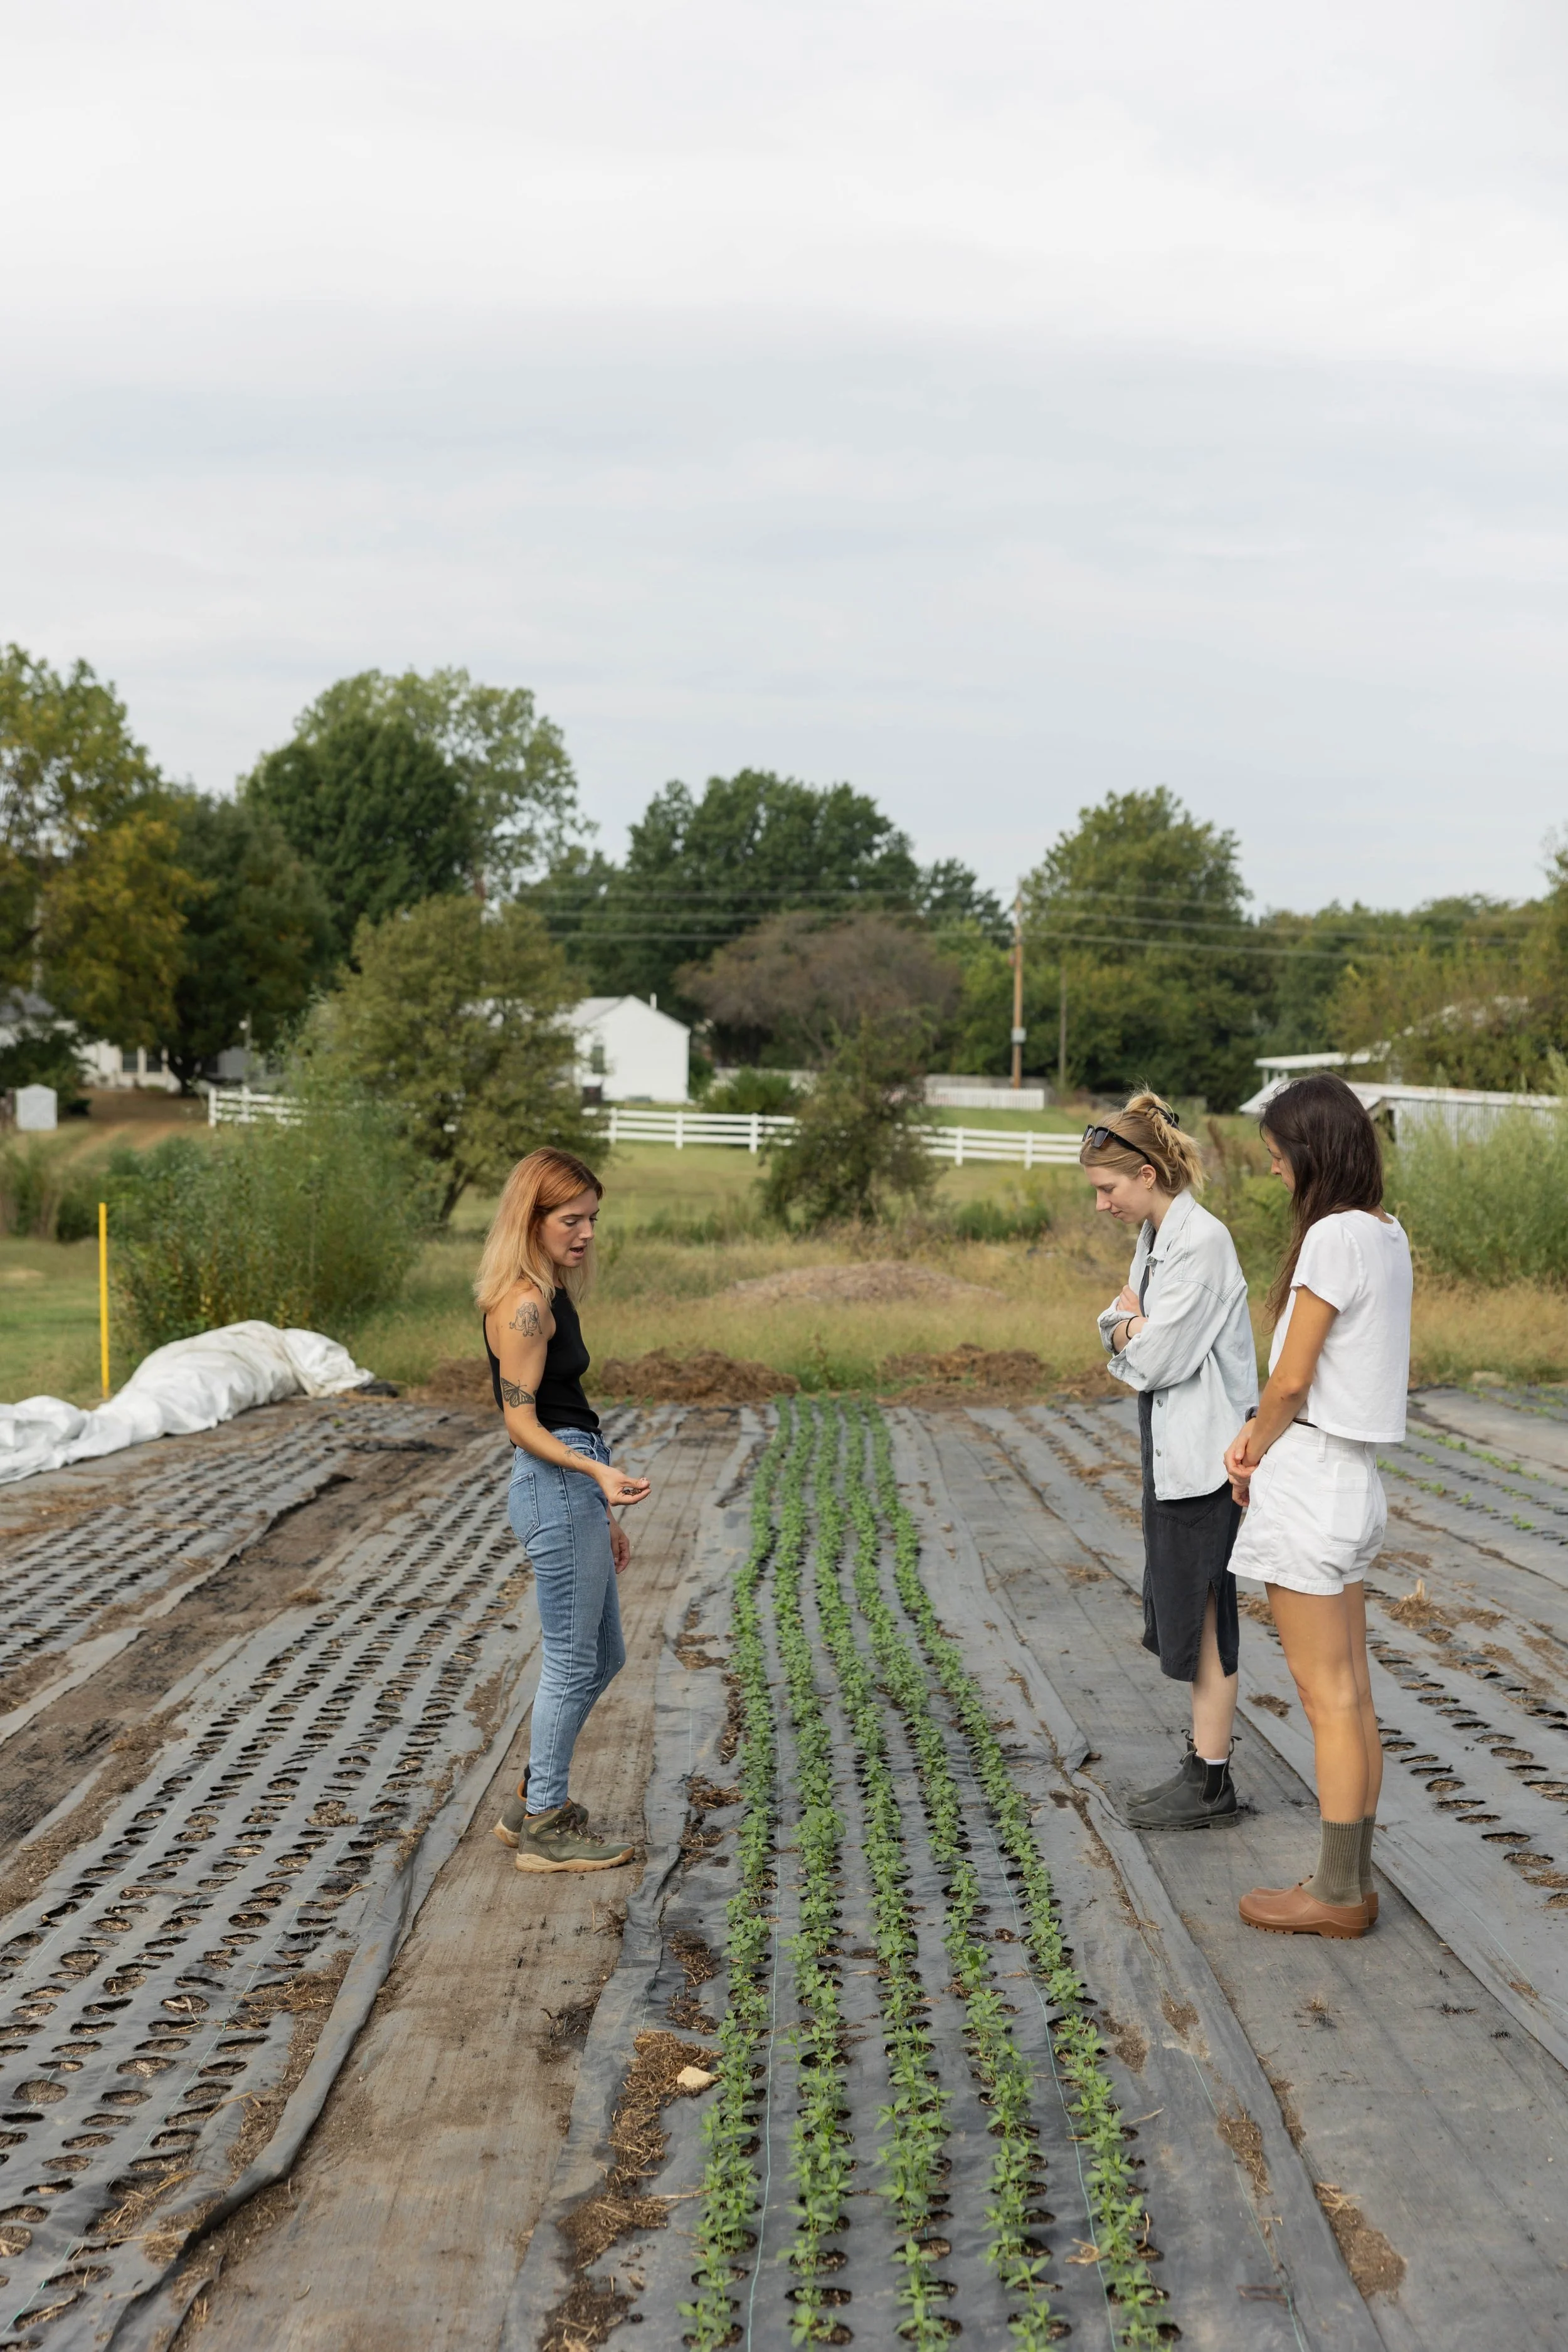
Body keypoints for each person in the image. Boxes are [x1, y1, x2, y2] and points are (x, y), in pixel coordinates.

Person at [1224, 1074, 1412, 1939]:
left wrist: (1250, 1443)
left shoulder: (1333, 1235)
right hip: (1357, 1485)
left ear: (1313, 1152)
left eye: (1277, 1158)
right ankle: (1349, 1878)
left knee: (1325, 1693)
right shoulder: (1385, 1231)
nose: (1275, 1174)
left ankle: (1337, 1897)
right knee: (1354, 1694)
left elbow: (1292, 1378)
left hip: (1312, 1484)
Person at [475, 1147, 652, 1874]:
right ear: (532, 1218)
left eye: (592, 1220)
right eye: (570, 1220)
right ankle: (546, 1820)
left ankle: (529, 1804)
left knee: (603, 1655)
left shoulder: (547, 1296)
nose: (585, 1234)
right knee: (573, 1659)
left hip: (571, 1485)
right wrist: (592, 1473)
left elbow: (560, 1406)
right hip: (554, 1479)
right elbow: (521, 1423)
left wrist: (599, 1505)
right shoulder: (523, 1305)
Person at [1084, 1093, 1258, 1829]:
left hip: (1206, 1462)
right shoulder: (1158, 1237)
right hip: (1175, 1451)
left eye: (1108, 1189)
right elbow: (1121, 1324)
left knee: (1206, 1615)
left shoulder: (1200, 1241)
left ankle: (1210, 1779)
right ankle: (1202, 1767)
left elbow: (1151, 1354)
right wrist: (1128, 1325)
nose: (1101, 1204)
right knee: (1190, 1612)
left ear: (1148, 1173)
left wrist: (1125, 1327)